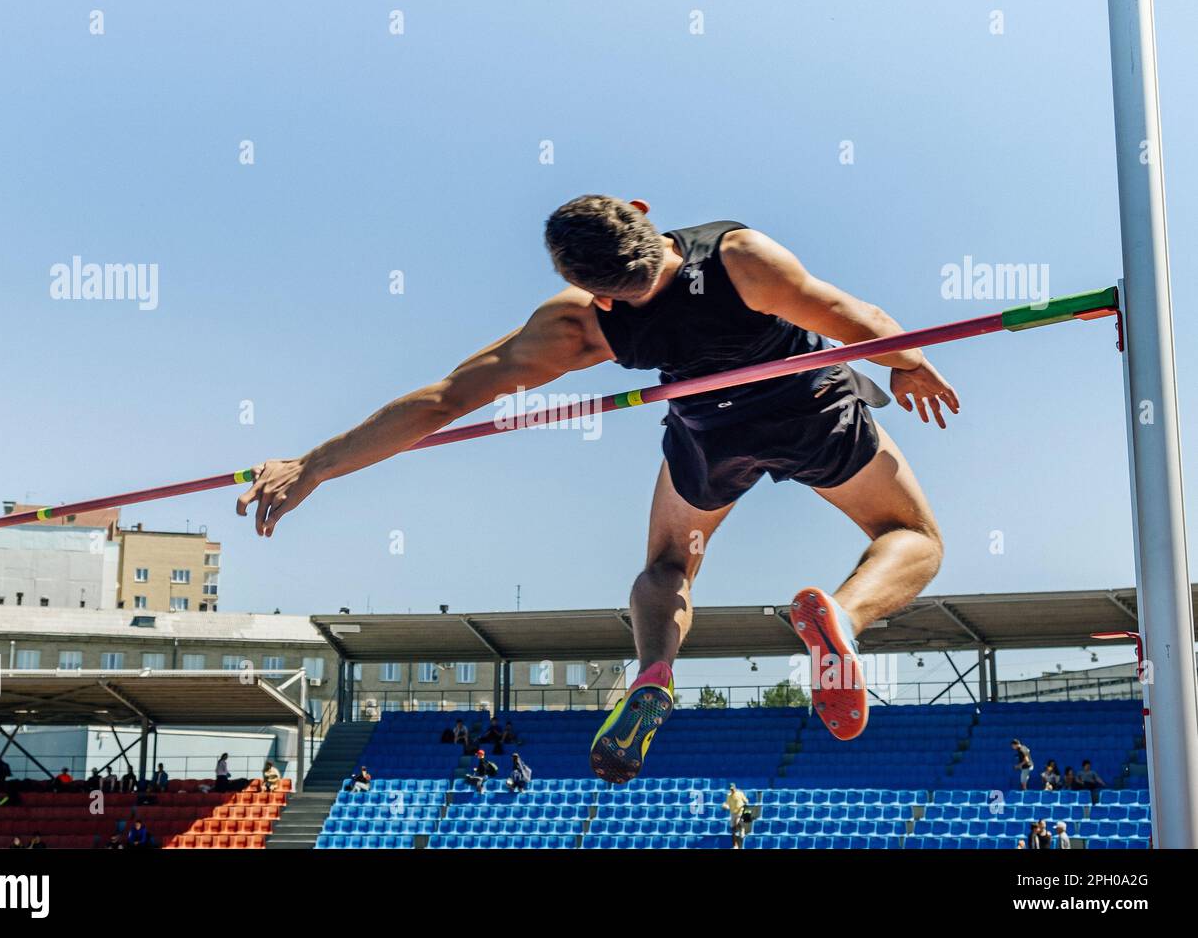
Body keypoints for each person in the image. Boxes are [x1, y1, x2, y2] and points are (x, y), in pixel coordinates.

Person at [237, 196, 954, 785]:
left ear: (602, 292)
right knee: (910, 537)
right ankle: (843, 616)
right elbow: (856, 320)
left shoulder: (581, 323)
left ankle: (654, 671)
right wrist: (910, 364)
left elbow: (444, 402)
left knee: (668, 568)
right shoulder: (741, 258)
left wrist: (314, 465)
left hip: (709, 440)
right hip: (813, 414)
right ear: (643, 213)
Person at [723, 783, 749, 849]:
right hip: (733, 813)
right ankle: (735, 845)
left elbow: (745, 800)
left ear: (735, 788)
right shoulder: (728, 796)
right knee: (733, 829)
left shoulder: (740, 793)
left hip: (740, 811)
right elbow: (727, 804)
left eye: (733, 789)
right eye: (731, 789)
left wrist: (746, 801)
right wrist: (725, 806)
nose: (732, 790)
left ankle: (742, 829)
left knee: (737, 823)